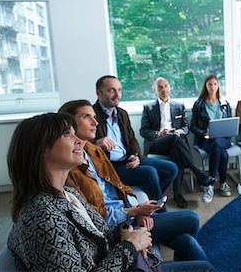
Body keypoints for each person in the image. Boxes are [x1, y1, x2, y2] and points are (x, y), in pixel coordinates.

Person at [59, 100, 213, 268]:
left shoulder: (93, 150)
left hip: (127, 212)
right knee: (191, 218)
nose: (95, 122)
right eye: (87, 117)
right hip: (117, 226)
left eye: (94, 117)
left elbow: (121, 185)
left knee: (188, 242)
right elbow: (93, 217)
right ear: (69, 124)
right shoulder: (69, 167)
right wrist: (132, 211)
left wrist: (138, 209)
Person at [6, 113, 151, 270]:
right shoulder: (42, 219)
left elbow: (99, 234)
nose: (80, 141)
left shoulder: (69, 193)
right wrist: (129, 248)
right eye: (67, 134)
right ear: (41, 149)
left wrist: (126, 234)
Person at [92, 75, 178, 212]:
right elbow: (83, 141)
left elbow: (132, 139)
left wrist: (135, 155)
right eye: (111, 90)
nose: (117, 95)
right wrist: (97, 142)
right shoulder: (92, 115)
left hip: (128, 159)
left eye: (119, 90)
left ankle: (151, 200)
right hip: (112, 166)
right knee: (149, 173)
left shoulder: (122, 114)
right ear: (99, 93)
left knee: (172, 169)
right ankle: (161, 212)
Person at [140, 77, 216, 208]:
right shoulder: (149, 107)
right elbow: (144, 131)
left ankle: (178, 194)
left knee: (177, 152)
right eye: (160, 87)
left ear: (170, 88)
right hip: (157, 143)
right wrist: (159, 133)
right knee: (175, 141)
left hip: (175, 141)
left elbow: (186, 128)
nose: (163, 89)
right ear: (155, 90)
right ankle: (200, 174)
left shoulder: (179, 106)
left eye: (166, 86)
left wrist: (178, 132)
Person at [190, 75, 233, 203]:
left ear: (218, 86)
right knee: (222, 153)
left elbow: (230, 123)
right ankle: (223, 183)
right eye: (210, 84)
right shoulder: (199, 105)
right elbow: (193, 126)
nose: (213, 87)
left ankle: (210, 183)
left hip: (223, 139)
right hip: (205, 140)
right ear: (206, 86)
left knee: (217, 143)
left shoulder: (224, 104)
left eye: (215, 84)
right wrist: (203, 133)